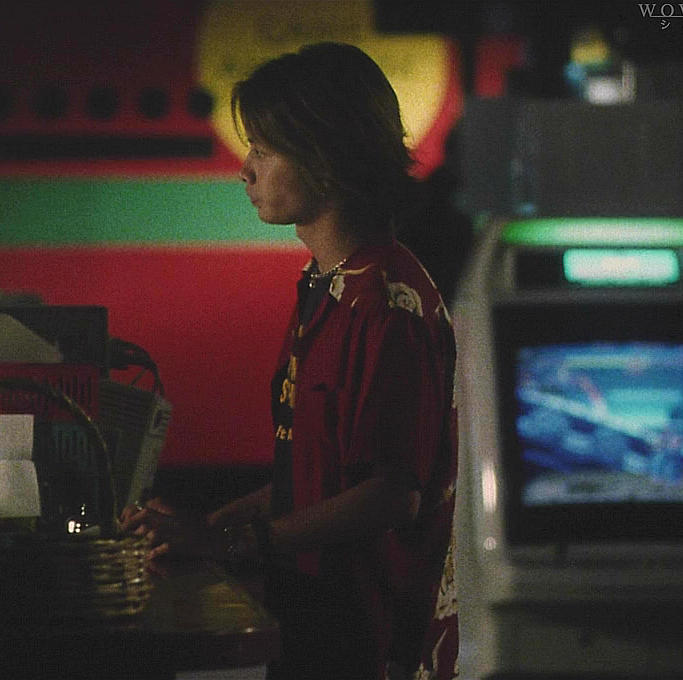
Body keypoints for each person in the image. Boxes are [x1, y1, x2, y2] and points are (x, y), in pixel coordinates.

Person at [121, 42, 459, 680]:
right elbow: (319, 475)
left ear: (325, 160)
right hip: (314, 621)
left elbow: (391, 497)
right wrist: (210, 525)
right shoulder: (326, 285)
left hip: (367, 641)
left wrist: (236, 540)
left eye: (263, 150)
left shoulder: (384, 302)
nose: (245, 172)